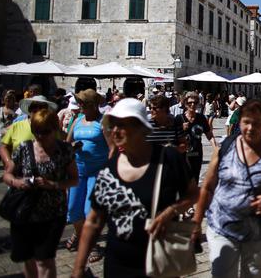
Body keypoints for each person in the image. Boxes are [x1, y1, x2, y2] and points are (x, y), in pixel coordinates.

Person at [71, 98, 198, 277]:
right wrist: (78, 268)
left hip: (159, 261)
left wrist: (171, 211)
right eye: (112, 125)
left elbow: (193, 194)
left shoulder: (168, 158)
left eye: (122, 125)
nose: (115, 131)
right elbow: (93, 221)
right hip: (118, 264)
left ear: (141, 127)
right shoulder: (109, 169)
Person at [192, 99, 261, 277]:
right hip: (223, 227)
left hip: (260, 231)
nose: (250, 128)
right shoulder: (225, 147)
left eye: (256, 123)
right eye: (246, 122)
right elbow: (207, 187)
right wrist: (196, 222)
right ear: (240, 122)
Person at [3, 109, 78, 278]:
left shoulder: (65, 150)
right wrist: (17, 182)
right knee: (28, 258)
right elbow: (7, 174)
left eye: (45, 131)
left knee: (44, 260)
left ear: (55, 129)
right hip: (25, 213)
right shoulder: (24, 148)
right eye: (36, 131)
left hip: (52, 214)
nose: (40, 136)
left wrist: (52, 184)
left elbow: (74, 180)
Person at [65, 89, 112, 259]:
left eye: (82, 103)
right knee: (72, 210)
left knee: (89, 211)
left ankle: (91, 245)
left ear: (92, 105)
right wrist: (72, 147)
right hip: (77, 171)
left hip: (97, 172)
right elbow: (67, 143)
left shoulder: (103, 121)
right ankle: (80, 234)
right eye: (80, 103)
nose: (80, 106)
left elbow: (111, 148)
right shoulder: (77, 120)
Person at [0, 95, 58, 168]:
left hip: (49, 171)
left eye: (42, 107)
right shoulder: (16, 126)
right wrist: (8, 161)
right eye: (34, 106)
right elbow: (4, 147)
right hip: (20, 172)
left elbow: (60, 145)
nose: (38, 109)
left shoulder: (52, 127)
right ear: (29, 109)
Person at [178, 92, 216, 183]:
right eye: (190, 102)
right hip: (183, 155)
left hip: (196, 153)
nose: (192, 105)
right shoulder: (179, 119)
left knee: (195, 179)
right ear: (185, 103)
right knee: (183, 180)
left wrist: (216, 148)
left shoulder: (201, 118)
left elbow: (209, 135)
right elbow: (173, 137)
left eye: (195, 103)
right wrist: (181, 128)